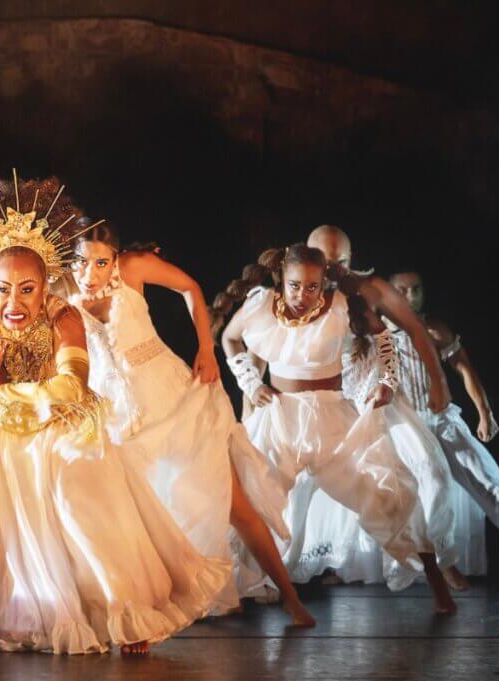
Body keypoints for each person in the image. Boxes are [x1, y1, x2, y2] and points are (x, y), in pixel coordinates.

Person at [0, 174, 231, 654]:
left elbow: (72, 384)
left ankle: (131, 617)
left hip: (56, 421)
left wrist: (14, 393)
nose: (13, 303)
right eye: (3, 289)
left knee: (86, 510)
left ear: (47, 284)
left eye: (27, 290)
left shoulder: (62, 315)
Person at [64, 219, 313, 625]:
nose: (90, 274)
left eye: (100, 262)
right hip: (117, 416)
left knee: (234, 503)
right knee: (121, 514)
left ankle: (290, 597)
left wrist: (206, 348)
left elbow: (190, 288)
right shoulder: (62, 291)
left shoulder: (135, 267)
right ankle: (126, 611)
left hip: (175, 399)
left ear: (115, 257)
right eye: (81, 262)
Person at [216, 244, 457, 613]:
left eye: (312, 287)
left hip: (331, 418)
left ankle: (437, 582)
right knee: (252, 500)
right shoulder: (261, 304)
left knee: (383, 493)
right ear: (282, 279)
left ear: (323, 283)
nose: (302, 295)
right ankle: (234, 589)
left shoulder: (342, 304)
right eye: (295, 286)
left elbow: (385, 338)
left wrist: (387, 383)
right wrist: (251, 382)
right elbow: (230, 339)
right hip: (279, 416)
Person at [388, 270, 499, 581]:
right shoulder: (379, 335)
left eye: (416, 290)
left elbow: (465, 369)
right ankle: (442, 563)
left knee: (491, 481)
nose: (411, 297)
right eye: (402, 291)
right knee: (429, 484)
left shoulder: (436, 328)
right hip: (405, 425)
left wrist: (484, 413)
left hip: (442, 419)